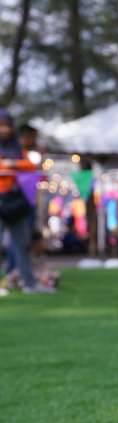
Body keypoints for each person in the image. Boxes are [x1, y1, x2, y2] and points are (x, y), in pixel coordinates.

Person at [0, 108, 51, 295]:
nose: (4, 130)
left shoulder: (17, 150)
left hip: (15, 202)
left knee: (21, 244)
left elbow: (30, 165)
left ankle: (29, 283)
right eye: (0, 126)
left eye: (6, 126)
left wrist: (12, 164)